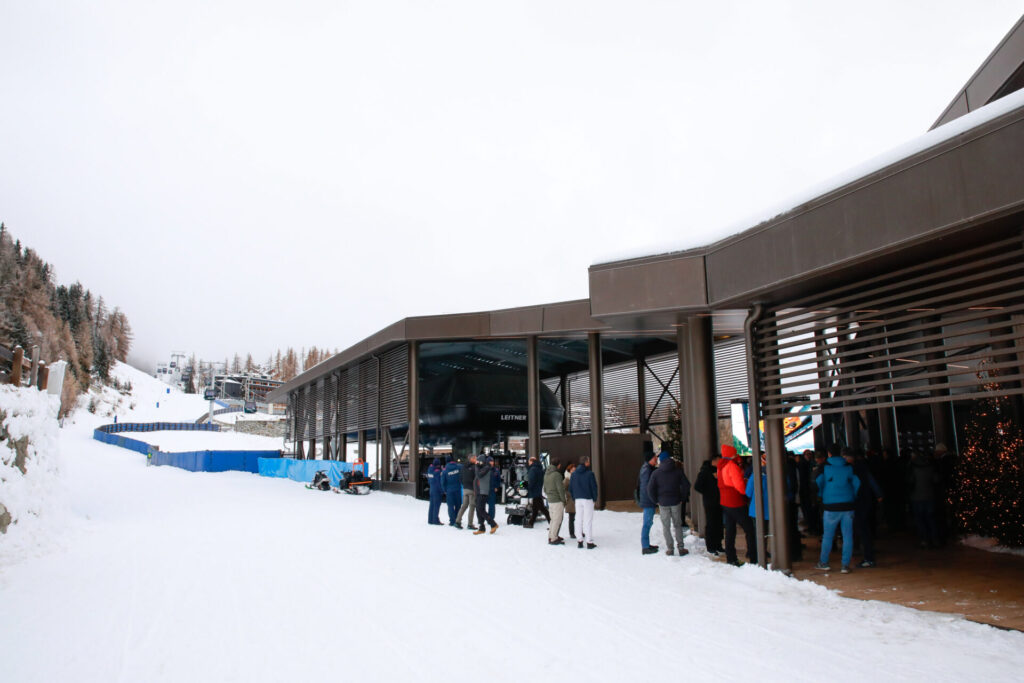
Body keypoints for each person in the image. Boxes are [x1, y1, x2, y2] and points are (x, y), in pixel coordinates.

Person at [816, 444, 861, 573]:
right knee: (847, 536)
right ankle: (845, 565)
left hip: (830, 506)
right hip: (848, 505)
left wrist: (821, 494)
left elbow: (818, 482)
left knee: (828, 536)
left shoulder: (824, 467)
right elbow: (857, 483)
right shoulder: (849, 467)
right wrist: (853, 495)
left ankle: (824, 562)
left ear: (829, 453)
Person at [647, 447, 690, 557]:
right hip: (676, 501)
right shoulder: (678, 471)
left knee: (666, 526)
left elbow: (650, 489)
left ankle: (670, 549)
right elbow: (686, 485)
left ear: (661, 460)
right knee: (678, 525)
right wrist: (682, 498)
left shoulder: (656, 473)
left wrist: (656, 500)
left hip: (663, 503)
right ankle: (681, 548)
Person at [718, 444, 756, 566]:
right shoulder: (731, 466)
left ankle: (731, 558)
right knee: (750, 529)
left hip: (725, 502)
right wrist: (747, 491)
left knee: (730, 531)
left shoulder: (720, 466)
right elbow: (740, 486)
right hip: (736, 502)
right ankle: (753, 555)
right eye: (735, 454)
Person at [850, 450, 882, 567]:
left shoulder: (852, 470)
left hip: (858, 502)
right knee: (865, 528)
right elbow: (872, 482)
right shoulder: (864, 468)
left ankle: (868, 556)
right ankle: (868, 554)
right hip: (867, 501)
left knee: (861, 529)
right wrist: (879, 495)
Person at [907, 450, 939, 548]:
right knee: (931, 519)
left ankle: (924, 539)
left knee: (920, 520)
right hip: (930, 496)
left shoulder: (913, 469)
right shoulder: (930, 468)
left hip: (917, 497)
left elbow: (910, 482)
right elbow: (937, 480)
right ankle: (935, 539)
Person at [694, 454, 722, 555]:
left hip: (719, 501)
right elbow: (697, 486)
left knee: (718, 523)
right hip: (710, 501)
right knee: (711, 524)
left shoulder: (718, 470)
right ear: (714, 460)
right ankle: (711, 546)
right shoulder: (705, 472)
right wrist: (708, 493)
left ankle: (718, 545)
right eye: (719, 460)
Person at [569, 456, 597, 549]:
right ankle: (589, 542)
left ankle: (579, 541)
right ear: (586, 463)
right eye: (588, 461)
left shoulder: (573, 474)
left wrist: (574, 497)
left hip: (577, 499)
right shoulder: (590, 474)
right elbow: (594, 487)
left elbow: (571, 488)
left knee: (578, 519)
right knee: (588, 520)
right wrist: (595, 498)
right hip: (588, 499)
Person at [636, 448, 660, 555]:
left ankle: (646, 544)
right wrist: (654, 499)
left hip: (648, 500)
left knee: (648, 522)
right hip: (648, 501)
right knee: (647, 523)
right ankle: (645, 547)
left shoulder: (647, 468)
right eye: (655, 458)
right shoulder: (647, 470)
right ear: (650, 459)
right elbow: (647, 488)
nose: (656, 460)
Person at [473, 454, 499, 535]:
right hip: (479, 491)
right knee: (478, 509)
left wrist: (477, 466)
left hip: (483, 491)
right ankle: (482, 527)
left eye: (478, 461)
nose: (476, 463)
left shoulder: (487, 468)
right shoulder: (483, 468)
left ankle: (493, 524)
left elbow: (479, 475)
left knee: (481, 509)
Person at [543, 459, 567, 545]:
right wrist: (563, 500)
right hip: (557, 500)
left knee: (553, 519)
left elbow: (545, 488)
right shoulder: (557, 475)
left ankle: (552, 535)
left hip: (550, 499)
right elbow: (560, 489)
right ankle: (553, 538)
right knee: (557, 519)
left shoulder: (546, 473)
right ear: (559, 465)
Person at [524, 456, 550, 528]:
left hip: (535, 491)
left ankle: (552, 523)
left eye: (529, 461)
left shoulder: (532, 469)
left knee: (542, 508)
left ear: (531, 461)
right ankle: (530, 523)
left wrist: (526, 487)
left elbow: (531, 481)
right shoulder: (539, 468)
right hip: (539, 490)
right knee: (535, 508)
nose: (528, 463)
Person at [456, 454, 478, 530]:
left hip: (465, 489)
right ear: (471, 459)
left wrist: (464, 485)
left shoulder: (463, 467)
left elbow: (460, 477)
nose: (476, 460)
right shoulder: (474, 467)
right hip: (472, 489)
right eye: (475, 458)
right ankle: (470, 524)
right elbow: (476, 479)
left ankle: (457, 521)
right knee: (472, 507)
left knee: (464, 506)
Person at [442, 455, 463, 527]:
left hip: (449, 491)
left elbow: (443, 482)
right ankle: (458, 520)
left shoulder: (445, 470)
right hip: (458, 489)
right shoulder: (459, 467)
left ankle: (452, 521)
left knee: (450, 506)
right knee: (458, 505)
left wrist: (444, 490)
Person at [426, 457, 444, 525]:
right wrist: (442, 491)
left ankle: (430, 520)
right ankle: (435, 520)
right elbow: (439, 483)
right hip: (437, 491)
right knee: (436, 506)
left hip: (431, 489)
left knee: (432, 505)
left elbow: (428, 480)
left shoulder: (429, 470)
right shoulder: (438, 472)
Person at [564, 462, 577, 539]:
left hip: (577, 500)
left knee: (579, 518)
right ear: (569, 470)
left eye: (574, 470)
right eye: (572, 470)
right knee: (571, 518)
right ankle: (571, 533)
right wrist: (569, 495)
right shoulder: (567, 479)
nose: (573, 471)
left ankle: (579, 531)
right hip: (570, 501)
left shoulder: (577, 477)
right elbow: (563, 489)